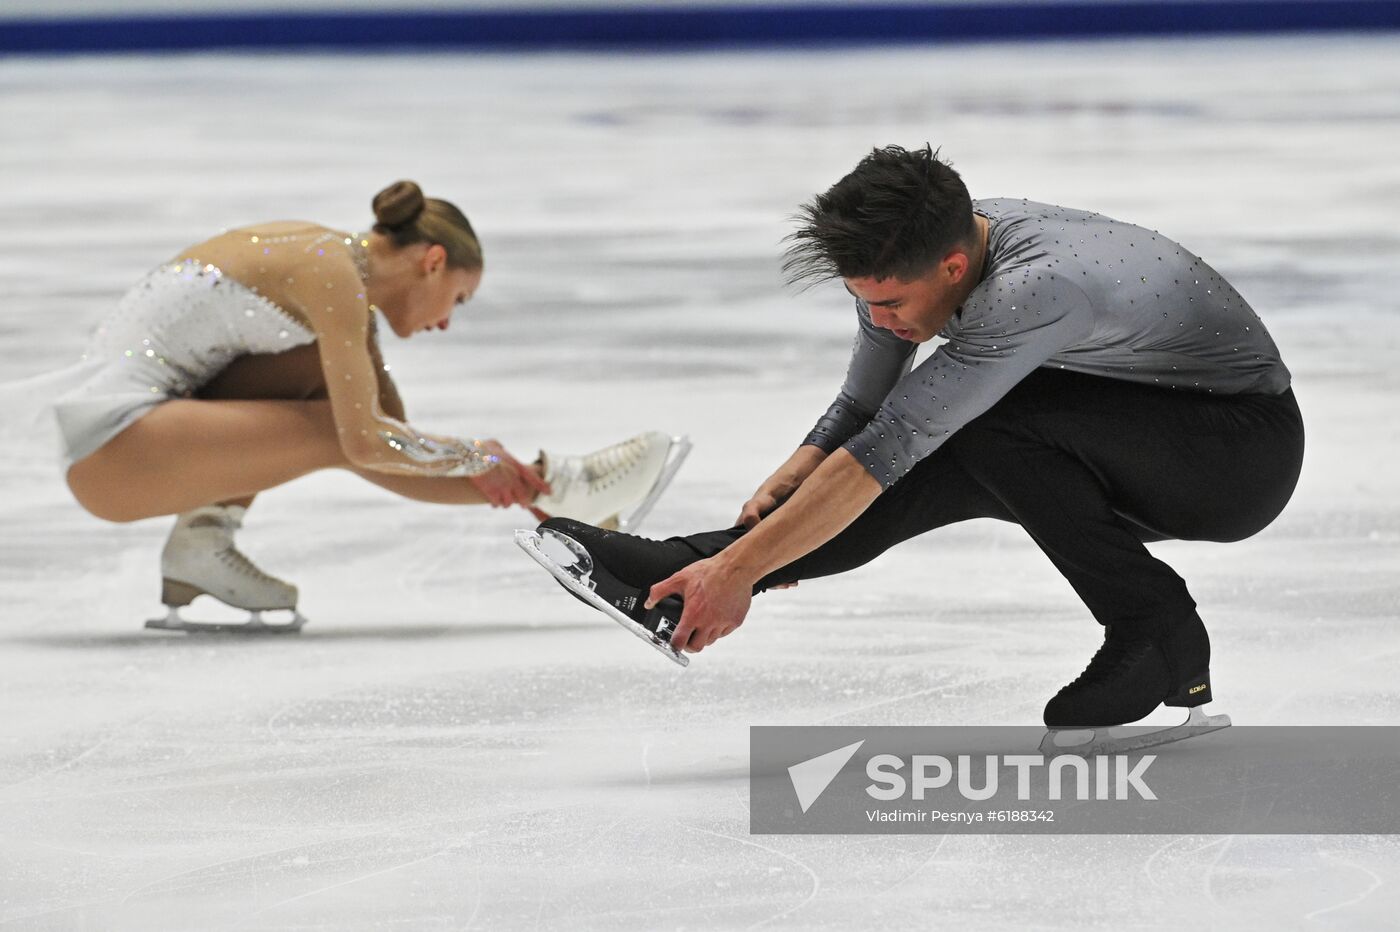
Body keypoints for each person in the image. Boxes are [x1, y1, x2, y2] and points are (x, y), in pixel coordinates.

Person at [527, 145, 1304, 732]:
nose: (884, 320)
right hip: (1132, 419)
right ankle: (684, 568)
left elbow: (892, 440)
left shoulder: (1034, 289)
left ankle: (1156, 631)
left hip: (1236, 457)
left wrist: (746, 564)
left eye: (892, 304)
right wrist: (793, 479)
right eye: (865, 303)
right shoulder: (936, 244)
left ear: (954, 265)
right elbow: (864, 406)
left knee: (983, 427)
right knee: (966, 438)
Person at [17, 180, 688, 629]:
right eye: (456, 299)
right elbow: (365, 445)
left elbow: (395, 439)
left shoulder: (336, 278)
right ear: (430, 263)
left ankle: (201, 542)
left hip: (143, 441)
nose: (448, 322)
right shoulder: (328, 271)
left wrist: (493, 473)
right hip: (113, 451)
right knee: (336, 429)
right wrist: (480, 456)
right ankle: (568, 487)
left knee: (331, 396)